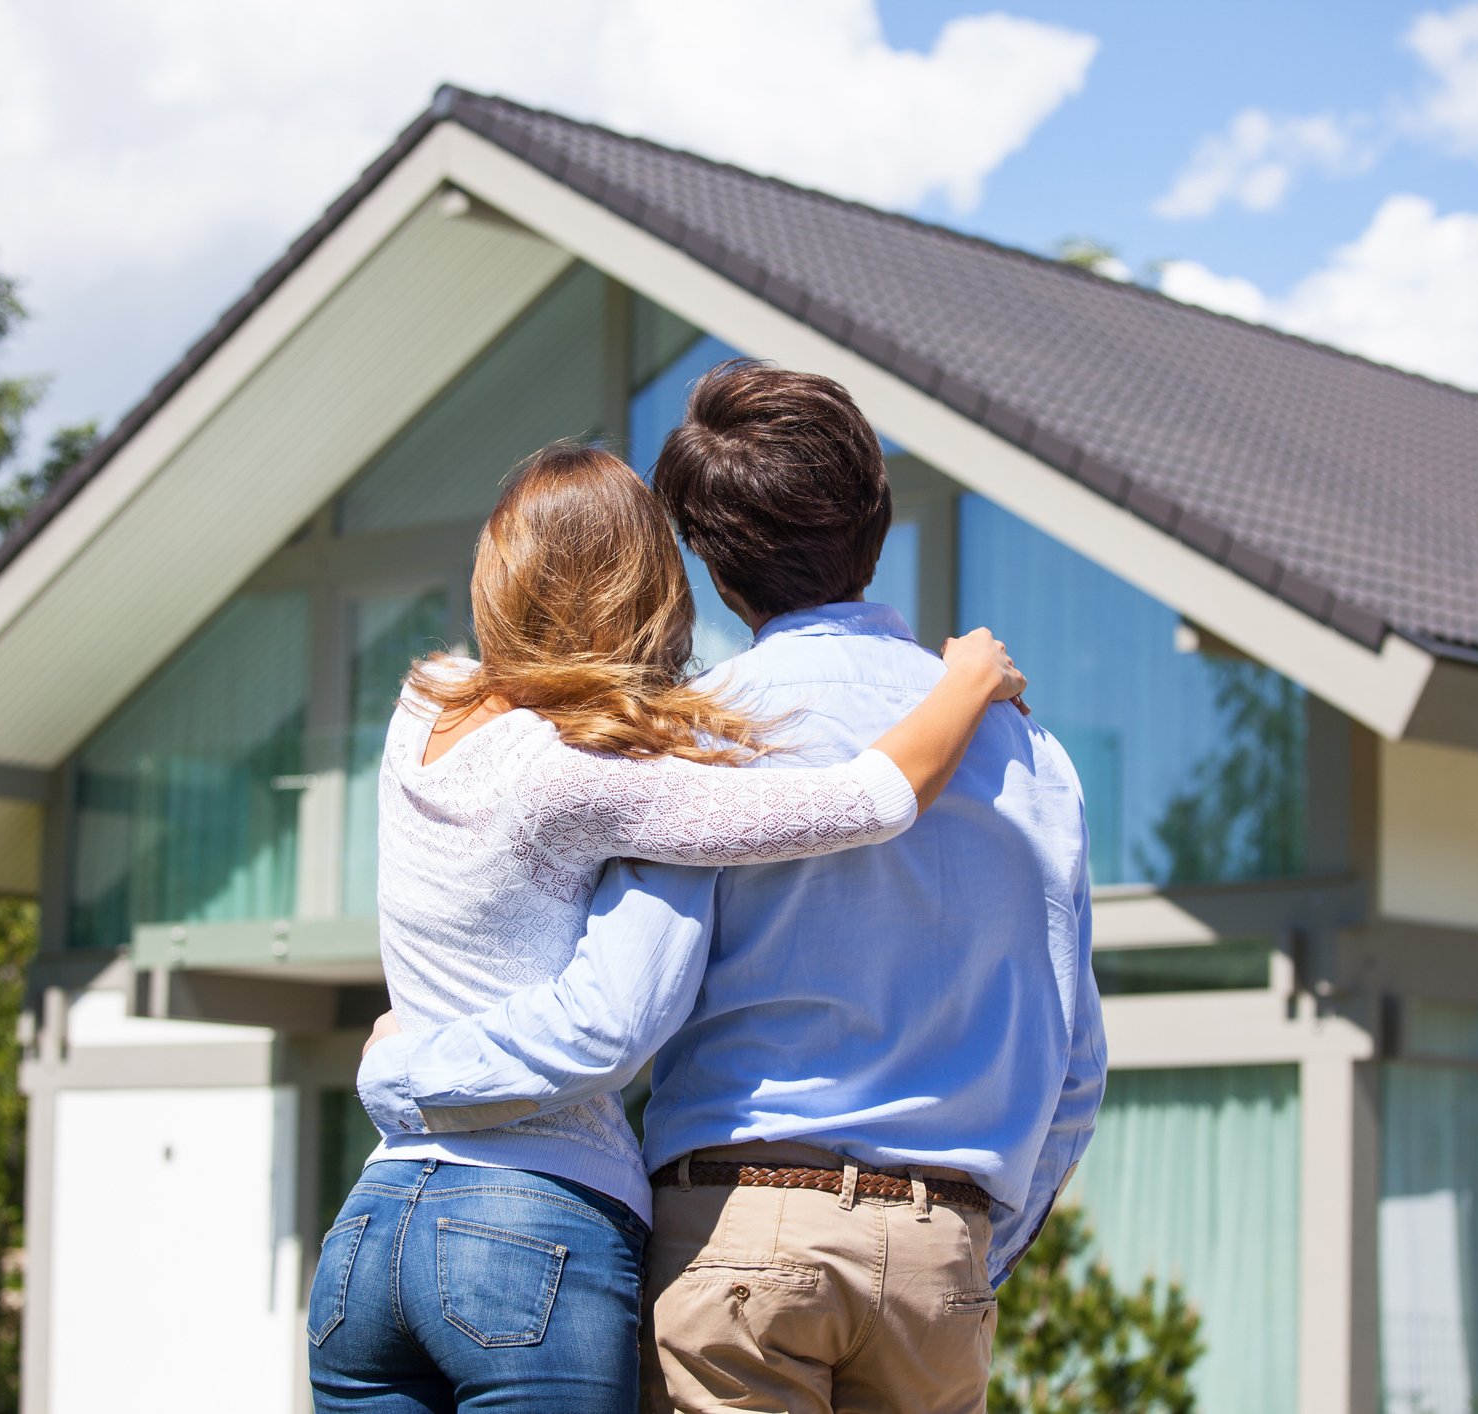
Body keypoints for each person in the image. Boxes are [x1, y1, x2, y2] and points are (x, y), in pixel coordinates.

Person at [360, 363, 1104, 1414]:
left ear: (706, 559)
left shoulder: (692, 745)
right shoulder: (1033, 756)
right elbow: (1075, 1067)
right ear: (877, 513)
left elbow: (614, 1012)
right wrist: (964, 1243)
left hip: (740, 1234)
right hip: (945, 1254)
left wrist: (410, 1070)